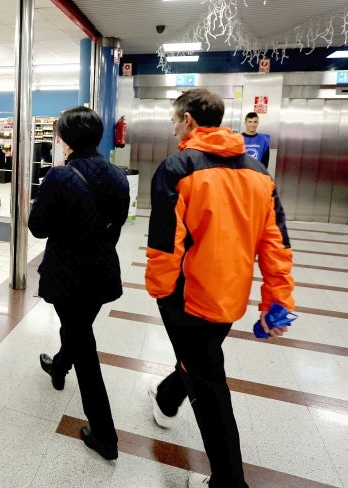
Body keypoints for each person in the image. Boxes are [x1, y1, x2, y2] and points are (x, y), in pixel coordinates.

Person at [145, 89, 295, 488]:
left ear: (189, 120)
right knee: (202, 357)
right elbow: (276, 244)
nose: (174, 128)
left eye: (175, 121)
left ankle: (229, 481)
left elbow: (164, 241)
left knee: (210, 384)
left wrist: (160, 291)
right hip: (231, 296)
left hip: (187, 296)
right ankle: (165, 398)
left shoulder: (178, 167)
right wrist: (277, 302)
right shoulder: (259, 174)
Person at [30, 106, 130, 461]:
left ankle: (105, 436)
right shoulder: (118, 176)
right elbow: (116, 223)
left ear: (63, 137)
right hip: (102, 271)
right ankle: (58, 366)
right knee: (78, 328)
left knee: (83, 345)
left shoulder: (59, 177)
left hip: (68, 274)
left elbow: (37, 226)